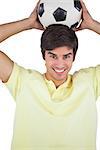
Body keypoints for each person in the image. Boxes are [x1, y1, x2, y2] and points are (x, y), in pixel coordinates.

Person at [0, 0, 100, 150]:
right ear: (43, 55)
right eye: (53, 56)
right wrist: (27, 23)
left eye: (66, 56)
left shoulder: (91, 81)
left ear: (74, 57)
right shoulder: (23, 81)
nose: (60, 64)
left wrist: (92, 24)